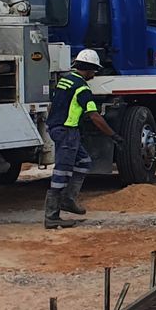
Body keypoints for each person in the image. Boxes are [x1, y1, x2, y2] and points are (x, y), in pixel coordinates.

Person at [45, 48, 118, 229]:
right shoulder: (82, 88)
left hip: (58, 128)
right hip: (67, 131)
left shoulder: (66, 80)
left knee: (84, 161)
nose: (94, 75)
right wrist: (113, 135)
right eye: (94, 71)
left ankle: (68, 200)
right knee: (62, 172)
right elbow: (94, 116)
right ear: (89, 69)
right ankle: (52, 215)